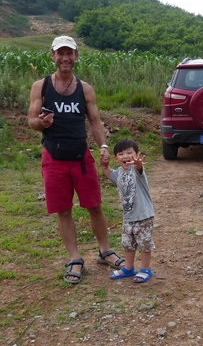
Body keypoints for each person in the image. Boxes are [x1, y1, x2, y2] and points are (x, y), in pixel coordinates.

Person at [27, 35, 123, 284]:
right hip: (54, 158)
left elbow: (94, 121)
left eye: (69, 53)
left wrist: (102, 145)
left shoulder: (85, 88)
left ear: (76, 56)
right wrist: (42, 122)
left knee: (94, 206)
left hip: (81, 158)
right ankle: (75, 258)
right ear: (53, 56)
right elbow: (31, 121)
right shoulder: (41, 87)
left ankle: (105, 251)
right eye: (60, 53)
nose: (65, 58)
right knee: (63, 210)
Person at [101, 138, 156, 283]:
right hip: (128, 218)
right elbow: (107, 172)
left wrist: (138, 164)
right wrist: (104, 165)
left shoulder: (137, 170)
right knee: (128, 244)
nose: (125, 156)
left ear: (137, 154)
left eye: (129, 153)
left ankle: (145, 269)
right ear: (116, 158)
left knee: (144, 244)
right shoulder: (118, 173)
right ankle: (129, 268)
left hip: (143, 216)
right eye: (120, 154)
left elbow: (139, 168)